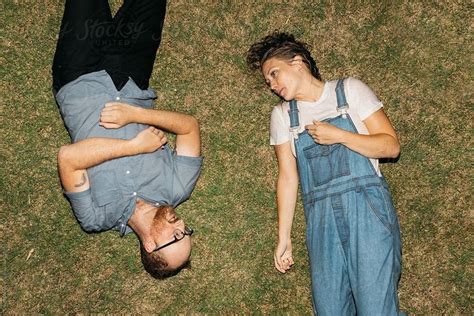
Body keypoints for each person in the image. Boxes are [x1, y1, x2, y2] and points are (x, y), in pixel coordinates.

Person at [247, 32, 404, 315]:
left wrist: (340, 136)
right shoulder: (283, 116)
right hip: (321, 221)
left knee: (376, 310)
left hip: (366, 210)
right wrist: (284, 237)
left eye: (274, 74)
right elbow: (287, 177)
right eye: (268, 82)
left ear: (297, 62)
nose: (272, 85)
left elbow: (391, 146)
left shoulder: (348, 91)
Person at [53, 0, 203, 279]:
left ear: (150, 245)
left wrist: (134, 147)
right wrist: (135, 114)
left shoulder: (96, 217)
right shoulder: (178, 188)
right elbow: (189, 127)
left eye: (176, 235)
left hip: (78, 77)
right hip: (133, 74)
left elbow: (68, 159)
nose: (181, 225)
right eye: (186, 231)